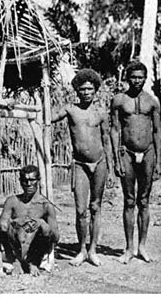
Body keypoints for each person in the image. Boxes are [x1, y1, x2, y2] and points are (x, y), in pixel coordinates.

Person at [52, 68, 113, 267]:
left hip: (100, 163)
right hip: (79, 164)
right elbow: (50, 117)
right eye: (83, 89)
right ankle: (81, 250)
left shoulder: (101, 113)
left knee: (96, 207)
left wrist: (110, 166)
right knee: (80, 210)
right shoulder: (71, 109)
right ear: (77, 91)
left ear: (95, 90)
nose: (86, 92)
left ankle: (93, 250)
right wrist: (42, 93)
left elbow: (106, 139)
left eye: (90, 89)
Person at [110, 61, 161, 264]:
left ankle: (142, 246)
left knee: (144, 201)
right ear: (127, 77)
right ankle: (129, 248)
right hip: (127, 154)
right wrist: (116, 158)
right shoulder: (119, 101)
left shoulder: (152, 101)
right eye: (133, 77)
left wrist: (158, 161)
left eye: (140, 77)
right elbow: (115, 129)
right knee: (129, 201)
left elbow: (157, 131)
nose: (137, 80)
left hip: (148, 152)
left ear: (145, 77)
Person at [0, 165, 59, 276]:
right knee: (2, 227)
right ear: (20, 182)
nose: (29, 184)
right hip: (15, 245)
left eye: (32, 180)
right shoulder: (12, 201)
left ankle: (33, 263)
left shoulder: (45, 205)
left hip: (35, 247)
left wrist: (41, 223)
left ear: (38, 181)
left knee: (45, 227)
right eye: (25, 181)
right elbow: (2, 228)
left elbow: (55, 237)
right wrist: (13, 223)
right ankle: (15, 262)